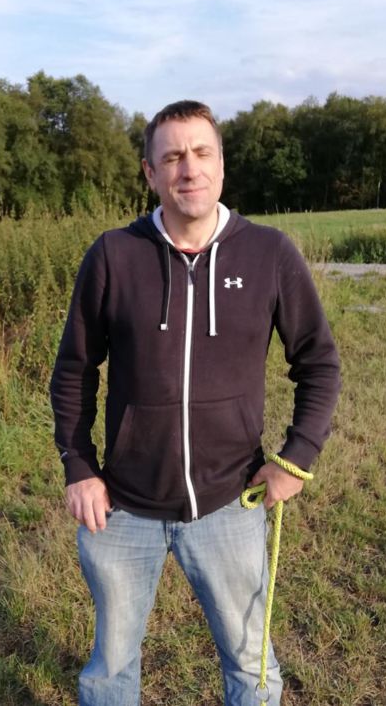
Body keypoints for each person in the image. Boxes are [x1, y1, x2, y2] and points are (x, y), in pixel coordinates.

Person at [50, 100, 341, 706]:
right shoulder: (113, 254)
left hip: (230, 501)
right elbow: (75, 369)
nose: (190, 168)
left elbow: (318, 363)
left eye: (202, 152)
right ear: (150, 173)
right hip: (122, 507)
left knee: (252, 666)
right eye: (173, 157)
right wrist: (78, 466)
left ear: (222, 164)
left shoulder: (269, 253)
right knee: (109, 668)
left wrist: (296, 458)